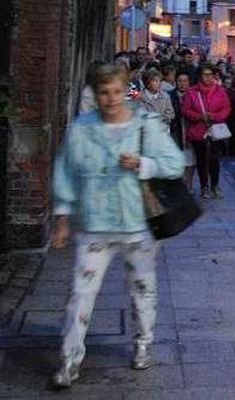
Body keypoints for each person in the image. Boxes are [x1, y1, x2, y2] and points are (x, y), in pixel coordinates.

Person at [50, 63, 184, 388]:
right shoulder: (81, 128)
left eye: (115, 91)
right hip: (95, 224)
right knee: (80, 294)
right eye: (103, 92)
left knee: (142, 290)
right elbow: (65, 171)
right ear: (94, 94)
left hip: (137, 224)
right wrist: (63, 216)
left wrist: (143, 163)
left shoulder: (145, 124)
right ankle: (69, 359)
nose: (110, 99)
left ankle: (143, 342)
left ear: (125, 89)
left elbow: (174, 163)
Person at [182, 66, 232, 199]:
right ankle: (204, 186)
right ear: (200, 76)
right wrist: (200, 117)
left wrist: (215, 116)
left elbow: (226, 108)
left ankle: (215, 185)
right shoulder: (192, 92)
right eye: (205, 75)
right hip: (198, 131)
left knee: (215, 159)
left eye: (210, 75)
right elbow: (186, 110)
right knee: (202, 160)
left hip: (215, 130)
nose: (208, 77)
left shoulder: (220, 91)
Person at [168, 72, 195, 191]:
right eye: (180, 81)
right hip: (176, 131)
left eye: (185, 81)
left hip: (191, 131)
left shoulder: (194, 95)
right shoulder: (170, 96)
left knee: (190, 160)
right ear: (176, 82)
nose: (183, 84)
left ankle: (189, 184)